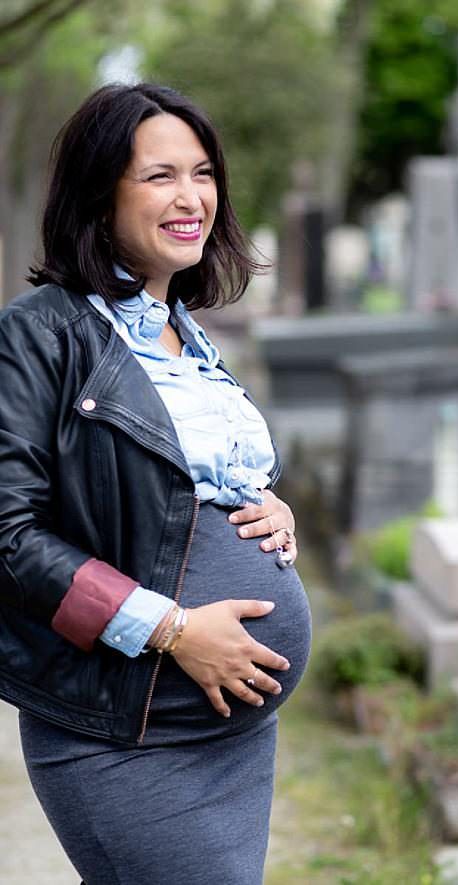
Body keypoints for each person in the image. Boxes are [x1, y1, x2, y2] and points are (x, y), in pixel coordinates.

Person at [0, 83, 311, 884]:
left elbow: (173, 486)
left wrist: (268, 505)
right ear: (100, 196)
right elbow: (9, 534)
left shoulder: (188, 336)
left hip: (228, 735)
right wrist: (174, 629)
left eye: (203, 173)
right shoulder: (42, 334)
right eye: (160, 176)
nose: (190, 198)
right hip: (123, 730)